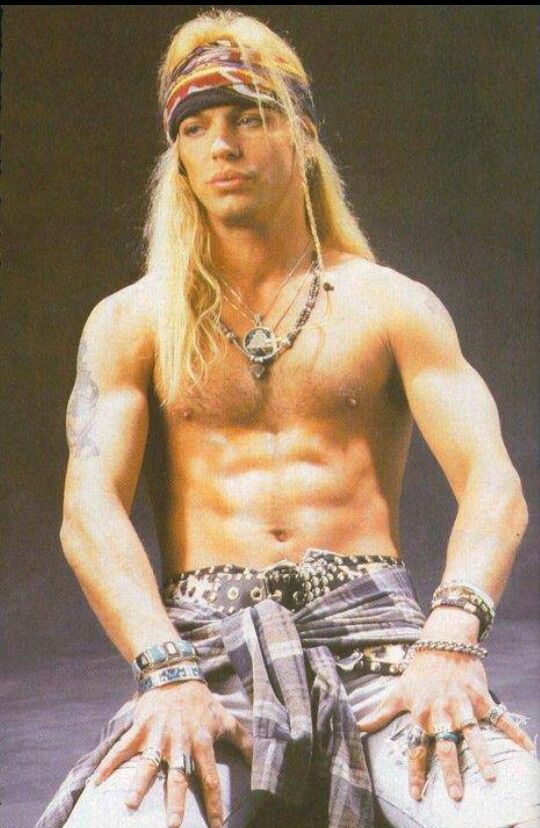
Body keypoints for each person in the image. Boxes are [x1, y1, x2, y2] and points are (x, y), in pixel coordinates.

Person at [35, 9, 538, 828]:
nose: (222, 146)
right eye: (196, 127)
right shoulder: (132, 322)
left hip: (382, 653)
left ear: (304, 136)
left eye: (250, 117)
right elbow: (87, 514)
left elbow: (492, 482)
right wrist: (165, 672)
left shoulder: (391, 305)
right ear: (179, 157)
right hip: (204, 660)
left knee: (516, 812)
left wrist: (451, 635)